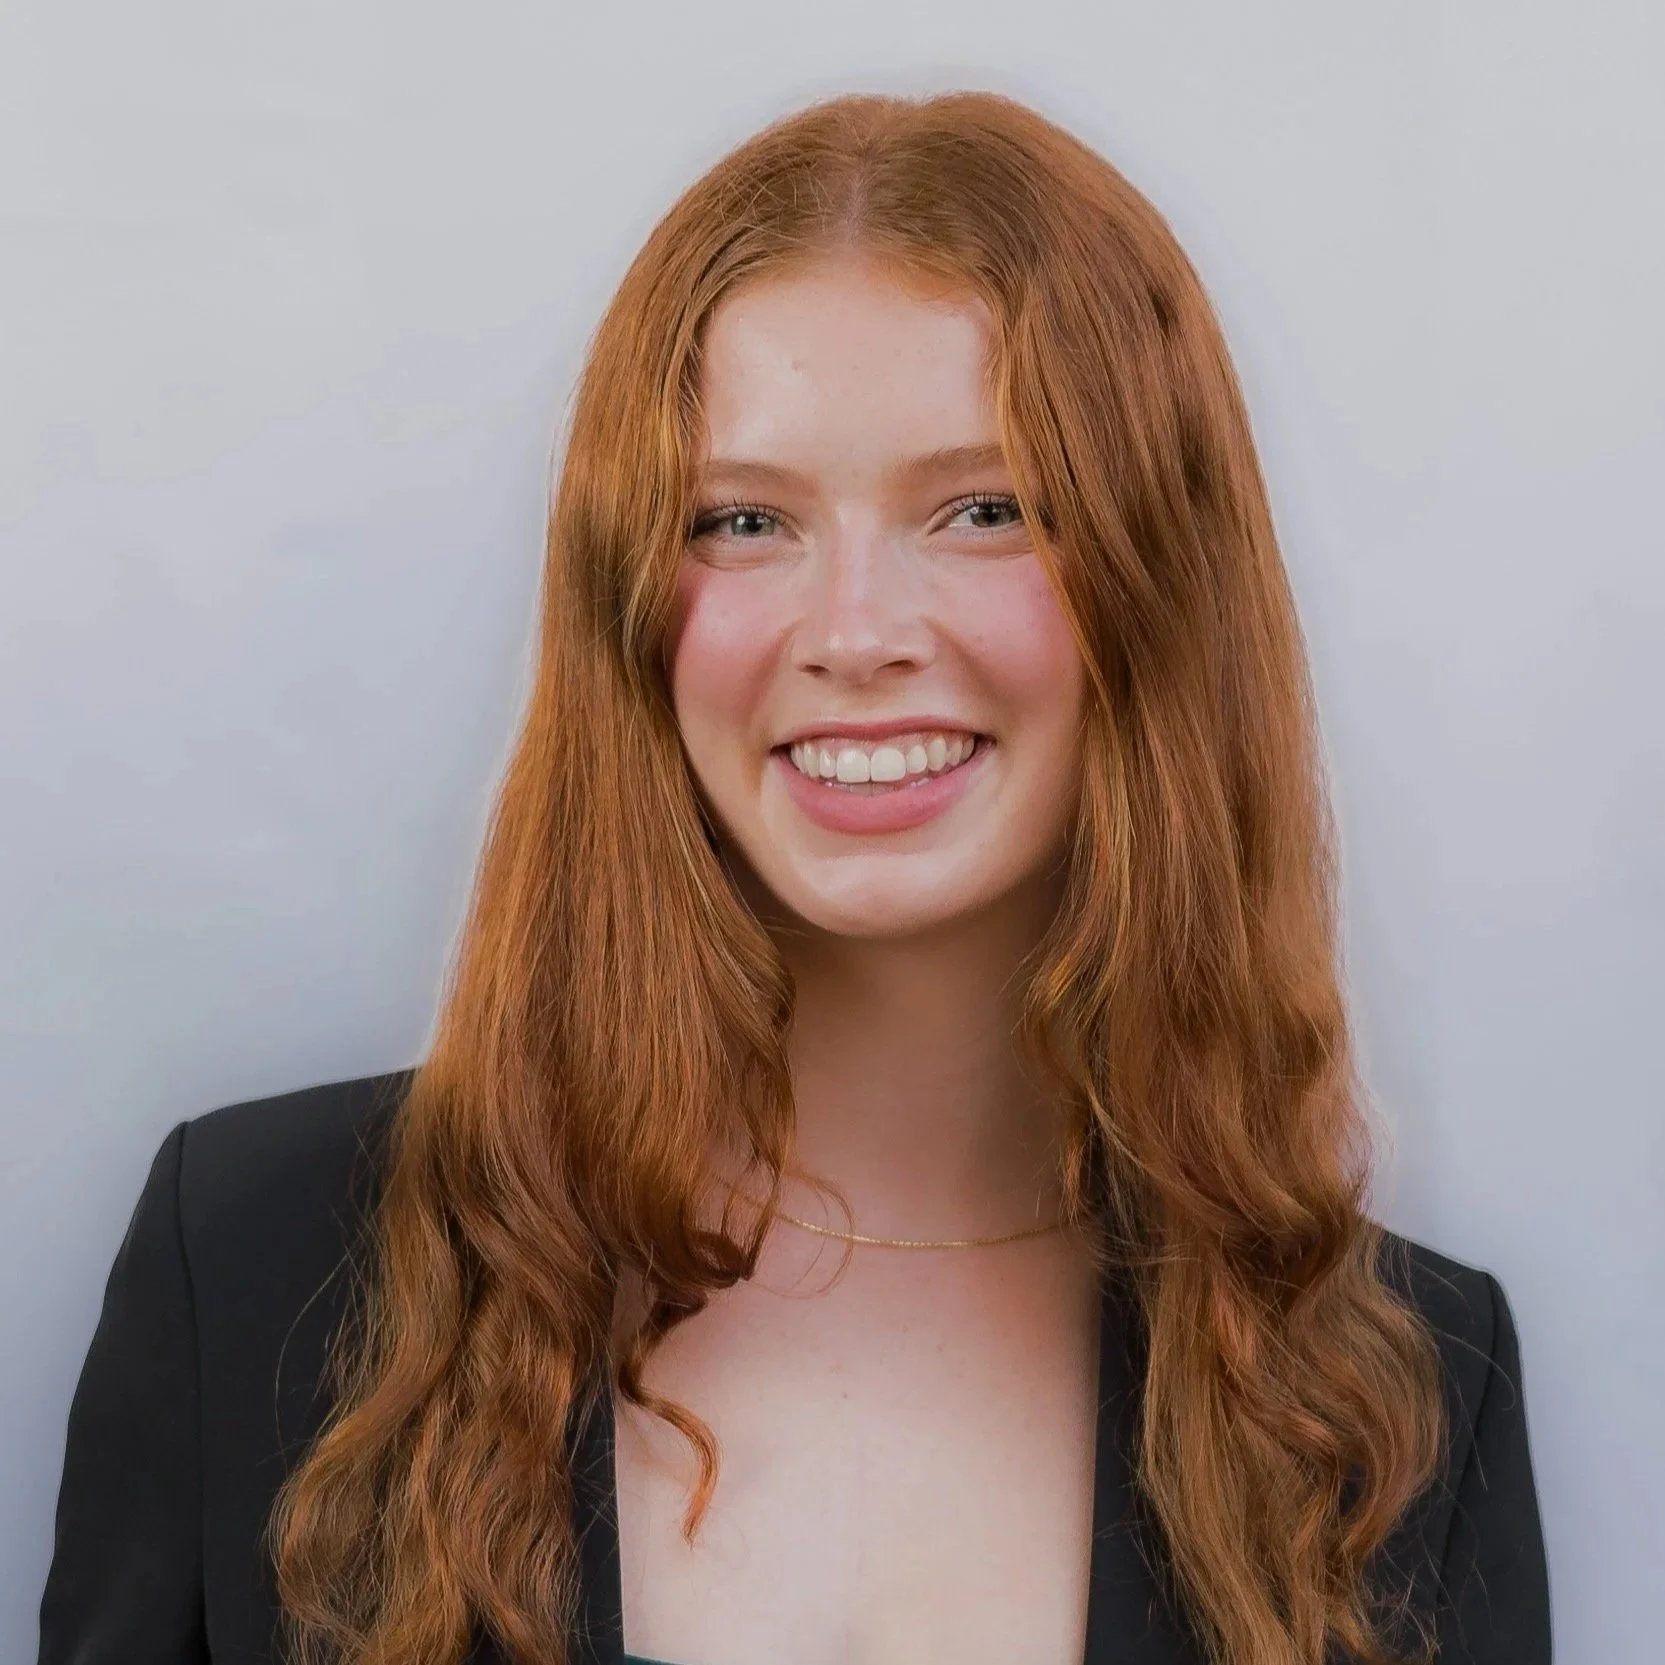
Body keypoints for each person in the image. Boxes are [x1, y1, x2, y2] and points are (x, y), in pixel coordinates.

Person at [36, 90, 1551, 1665]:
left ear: (1158, 582)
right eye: (744, 520)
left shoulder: (1407, 1409)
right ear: (632, 600)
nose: (856, 630)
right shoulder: (254, 1265)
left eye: (986, 510)